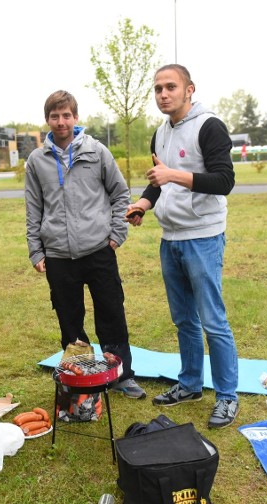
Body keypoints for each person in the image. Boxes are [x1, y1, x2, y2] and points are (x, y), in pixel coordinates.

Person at [126, 64, 239, 428]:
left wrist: (173, 174)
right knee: (184, 320)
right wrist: (143, 204)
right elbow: (159, 183)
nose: (163, 94)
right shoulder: (159, 134)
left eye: (170, 87)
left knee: (213, 321)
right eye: (157, 88)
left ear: (189, 90)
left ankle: (226, 396)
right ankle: (190, 384)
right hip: (170, 239)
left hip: (203, 236)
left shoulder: (210, 126)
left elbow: (224, 181)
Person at [25, 90, 145, 400]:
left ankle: (121, 375)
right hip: (58, 256)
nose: (61, 121)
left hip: (98, 250)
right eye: (55, 116)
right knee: (69, 320)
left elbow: (120, 194)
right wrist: (36, 250)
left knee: (111, 314)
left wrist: (117, 234)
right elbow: (33, 208)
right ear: (47, 120)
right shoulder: (37, 161)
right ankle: (82, 381)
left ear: (76, 118)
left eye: (66, 115)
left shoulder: (97, 152)